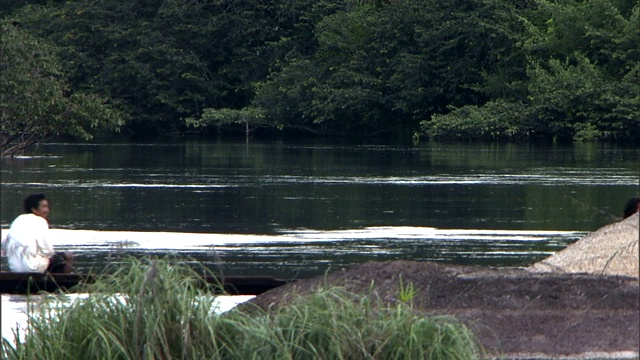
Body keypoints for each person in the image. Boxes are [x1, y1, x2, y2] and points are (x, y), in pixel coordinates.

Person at [1, 194, 73, 273]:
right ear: (34, 209)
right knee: (66, 256)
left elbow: (5, 247)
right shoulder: (40, 221)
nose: (47, 210)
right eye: (44, 207)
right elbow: (47, 250)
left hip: (15, 269)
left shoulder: (17, 220)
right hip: (34, 268)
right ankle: (61, 283)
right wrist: (63, 256)